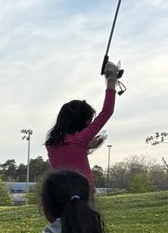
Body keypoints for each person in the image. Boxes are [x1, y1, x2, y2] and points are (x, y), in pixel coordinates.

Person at [45, 62, 121, 191]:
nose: (90, 125)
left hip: (59, 195)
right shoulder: (81, 139)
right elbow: (107, 111)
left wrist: (87, 147)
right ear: (80, 121)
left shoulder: (51, 143)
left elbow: (69, 156)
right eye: (89, 121)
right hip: (84, 194)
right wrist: (111, 80)